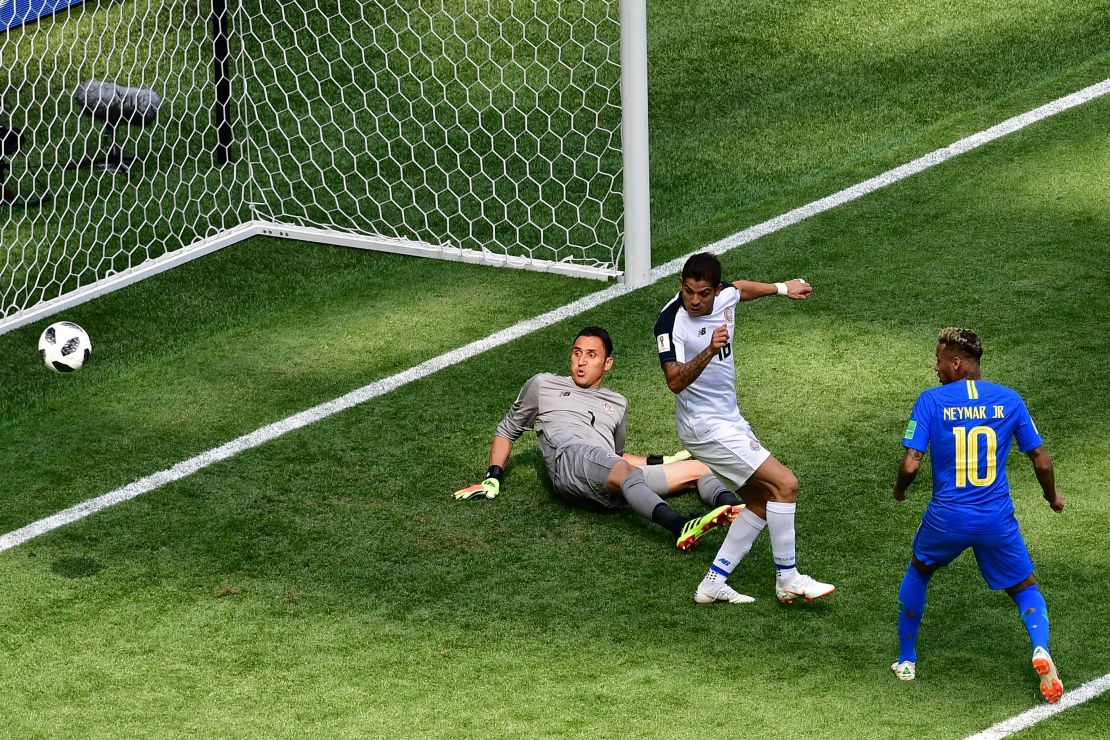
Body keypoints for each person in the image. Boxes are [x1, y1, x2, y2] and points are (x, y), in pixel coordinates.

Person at [891, 327, 1065, 702]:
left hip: (947, 518)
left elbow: (910, 464)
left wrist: (900, 491)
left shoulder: (931, 401)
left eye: (939, 360)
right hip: (995, 519)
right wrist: (1053, 498)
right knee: (1025, 587)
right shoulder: (1010, 399)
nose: (935, 368)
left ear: (956, 363)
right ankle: (1040, 647)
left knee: (919, 571)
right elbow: (1040, 459)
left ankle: (907, 660)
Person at [454, 326, 744, 550]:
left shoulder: (617, 402)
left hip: (604, 470)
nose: (581, 362)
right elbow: (507, 430)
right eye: (577, 352)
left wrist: (662, 460)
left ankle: (733, 509)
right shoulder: (544, 385)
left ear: (607, 364)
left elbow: (615, 457)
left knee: (698, 468)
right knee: (624, 473)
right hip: (569, 460)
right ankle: (680, 526)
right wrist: (493, 477)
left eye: (591, 355)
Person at [653, 252, 835, 605]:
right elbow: (674, 382)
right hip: (703, 427)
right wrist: (708, 350)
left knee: (761, 500)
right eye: (688, 291)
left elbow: (742, 289)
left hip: (728, 419)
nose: (694, 300)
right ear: (681, 286)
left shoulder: (725, 296)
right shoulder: (670, 323)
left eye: (703, 293)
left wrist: (783, 288)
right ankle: (788, 577)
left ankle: (713, 583)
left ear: (715, 290)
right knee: (786, 483)